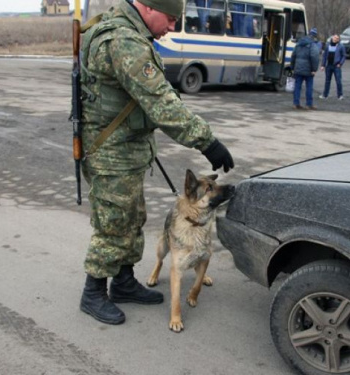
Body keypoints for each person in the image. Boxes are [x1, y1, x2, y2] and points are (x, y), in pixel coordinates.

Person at [78, 0, 234, 325]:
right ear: (148, 7)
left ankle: (122, 283)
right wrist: (207, 141)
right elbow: (162, 103)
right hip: (112, 155)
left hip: (125, 150)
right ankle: (93, 292)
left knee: (132, 219)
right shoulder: (124, 41)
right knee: (112, 225)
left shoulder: (130, 33)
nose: (173, 27)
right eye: (171, 18)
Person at [291, 27, 320, 110]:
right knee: (309, 87)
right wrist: (314, 69)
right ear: (314, 36)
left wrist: (293, 67)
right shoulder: (312, 44)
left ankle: (296, 103)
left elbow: (293, 56)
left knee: (297, 87)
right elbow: (314, 57)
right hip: (308, 70)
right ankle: (308, 104)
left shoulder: (299, 43)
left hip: (298, 69)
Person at [319, 34, 346, 100]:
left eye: (337, 38)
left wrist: (340, 63)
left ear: (338, 39)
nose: (335, 39)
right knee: (327, 81)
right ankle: (325, 95)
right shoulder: (328, 45)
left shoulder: (341, 46)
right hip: (329, 66)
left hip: (336, 66)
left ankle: (340, 95)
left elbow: (343, 56)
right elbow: (325, 56)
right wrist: (323, 65)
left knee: (338, 81)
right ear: (332, 38)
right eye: (334, 38)